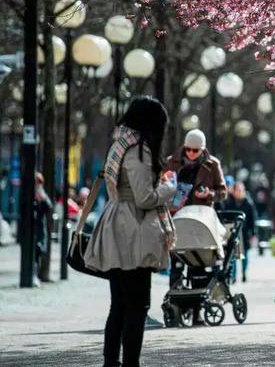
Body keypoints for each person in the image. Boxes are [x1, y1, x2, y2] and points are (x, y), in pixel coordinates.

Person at [83, 96, 177, 367]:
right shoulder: (139, 150)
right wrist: (170, 188)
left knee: (119, 305)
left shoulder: (119, 144)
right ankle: (129, 364)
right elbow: (145, 198)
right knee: (137, 306)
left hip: (116, 223)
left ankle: (111, 362)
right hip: (132, 230)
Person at [165, 129, 227, 288]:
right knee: (176, 261)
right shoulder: (171, 162)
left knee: (197, 262)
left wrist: (209, 194)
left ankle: (196, 306)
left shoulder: (212, 164)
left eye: (195, 150)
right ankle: (175, 300)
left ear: (202, 149)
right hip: (177, 216)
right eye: (188, 149)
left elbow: (223, 192)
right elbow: (161, 186)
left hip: (200, 218)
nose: (191, 153)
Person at [222, 182, 256, 282]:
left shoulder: (248, 203)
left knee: (244, 255)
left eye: (241, 190)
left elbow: (252, 219)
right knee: (233, 254)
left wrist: (253, 233)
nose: (239, 192)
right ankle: (233, 275)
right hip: (233, 231)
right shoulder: (229, 202)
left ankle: (244, 273)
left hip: (245, 233)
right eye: (237, 190)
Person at [34, 172, 52, 285]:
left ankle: (36, 275)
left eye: (39, 182)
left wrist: (42, 199)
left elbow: (48, 207)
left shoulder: (42, 194)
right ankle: (33, 275)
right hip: (31, 230)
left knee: (37, 252)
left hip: (39, 229)